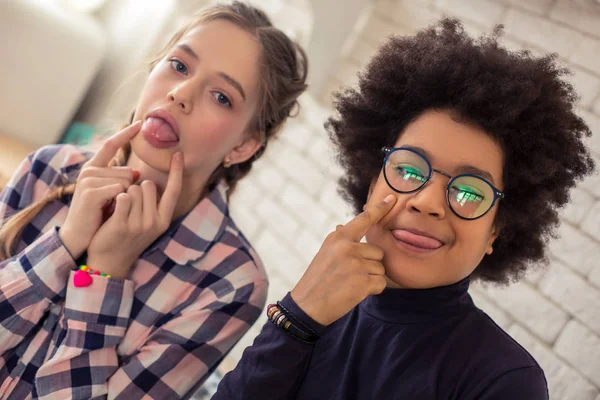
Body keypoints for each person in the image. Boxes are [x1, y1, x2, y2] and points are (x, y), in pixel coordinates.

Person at [213, 18, 595, 400]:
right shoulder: (315, 310)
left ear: (496, 230)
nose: (427, 202)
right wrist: (296, 318)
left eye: (469, 192)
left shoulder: (504, 381)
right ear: (372, 182)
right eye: (410, 169)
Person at [0, 2, 307, 398]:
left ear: (244, 145)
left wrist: (105, 275)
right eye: (179, 66)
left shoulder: (231, 282)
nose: (181, 94)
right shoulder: (49, 168)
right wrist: (67, 239)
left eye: (221, 96)